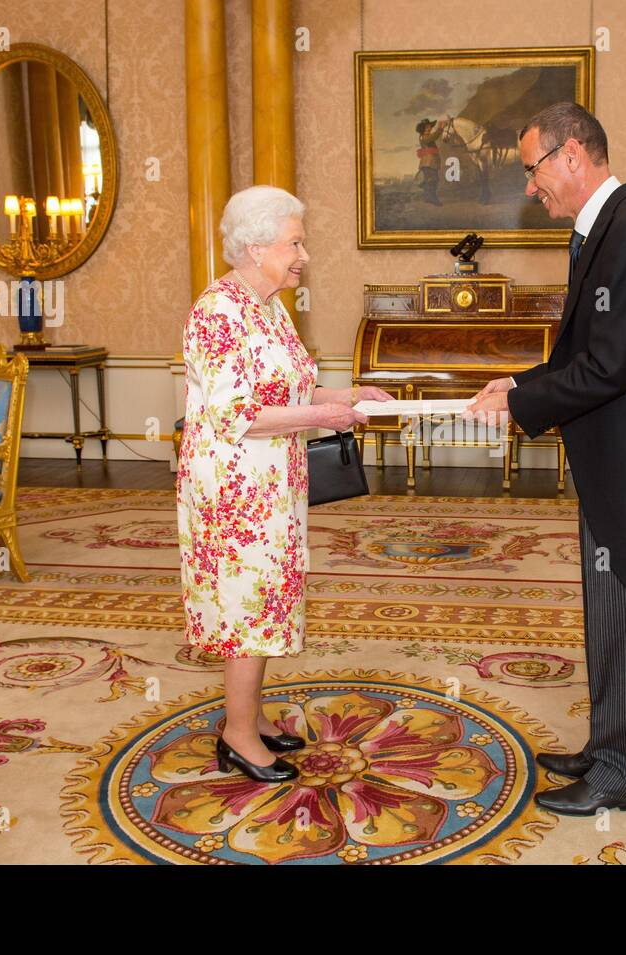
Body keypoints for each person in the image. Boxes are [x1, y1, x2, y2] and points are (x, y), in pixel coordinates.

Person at [467, 102, 626, 816]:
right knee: (607, 613)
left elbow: (610, 367)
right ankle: (609, 742)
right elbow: (585, 355)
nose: (528, 187)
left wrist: (519, 407)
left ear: (573, 154)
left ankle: (622, 773)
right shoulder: (603, 230)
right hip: (614, 460)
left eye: (531, 168)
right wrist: (519, 383)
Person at [176, 185, 391, 782]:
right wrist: (322, 419)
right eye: (294, 242)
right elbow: (234, 414)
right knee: (246, 604)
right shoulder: (217, 311)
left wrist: (347, 396)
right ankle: (239, 736)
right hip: (233, 490)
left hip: (272, 481)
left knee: (268, 595)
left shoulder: (269, 307)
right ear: (254, 246)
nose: (304, 254)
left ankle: (253, 715)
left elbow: (288, 390)